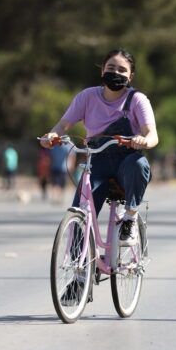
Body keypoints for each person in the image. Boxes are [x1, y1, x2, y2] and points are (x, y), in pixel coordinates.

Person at [41, 48, 158, 249]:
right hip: (96, 160)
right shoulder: (87, 96)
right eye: (111, 67)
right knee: (81, 210)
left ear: (131, 76)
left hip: (126, 161)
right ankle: (78, 272)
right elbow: (63, 125)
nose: (116, 73)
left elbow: (153, 135)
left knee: (139, 164)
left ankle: (129, 218)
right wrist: (52, 135)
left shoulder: (137, 100)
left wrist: (143, 141)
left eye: (122, 70)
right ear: (102, 70)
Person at [49, 139, 73, 203]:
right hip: (63, 168)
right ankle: (59, 198)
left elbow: (51, 157)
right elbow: (71, 157)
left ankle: (55, 197)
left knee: (55, 183)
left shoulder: (54, 146)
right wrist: (71, 166)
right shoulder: (68, 146)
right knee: (61, 184)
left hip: (55, 167)